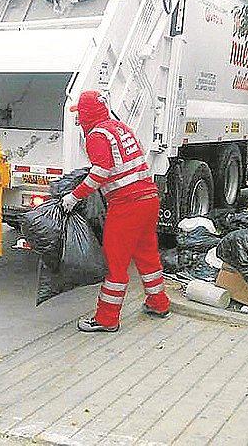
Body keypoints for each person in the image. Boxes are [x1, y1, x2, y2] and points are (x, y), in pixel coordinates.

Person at [62, 90, 170, 333]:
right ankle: (159, 302)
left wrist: (74, 196)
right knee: (147, 254)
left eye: (79, 113)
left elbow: (101, 172)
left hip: (127, 204)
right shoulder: (119, 127)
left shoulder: (96, 136)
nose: (77, 118)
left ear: (88, 113)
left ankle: (106, 319)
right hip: (148, 198)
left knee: (115, 262)